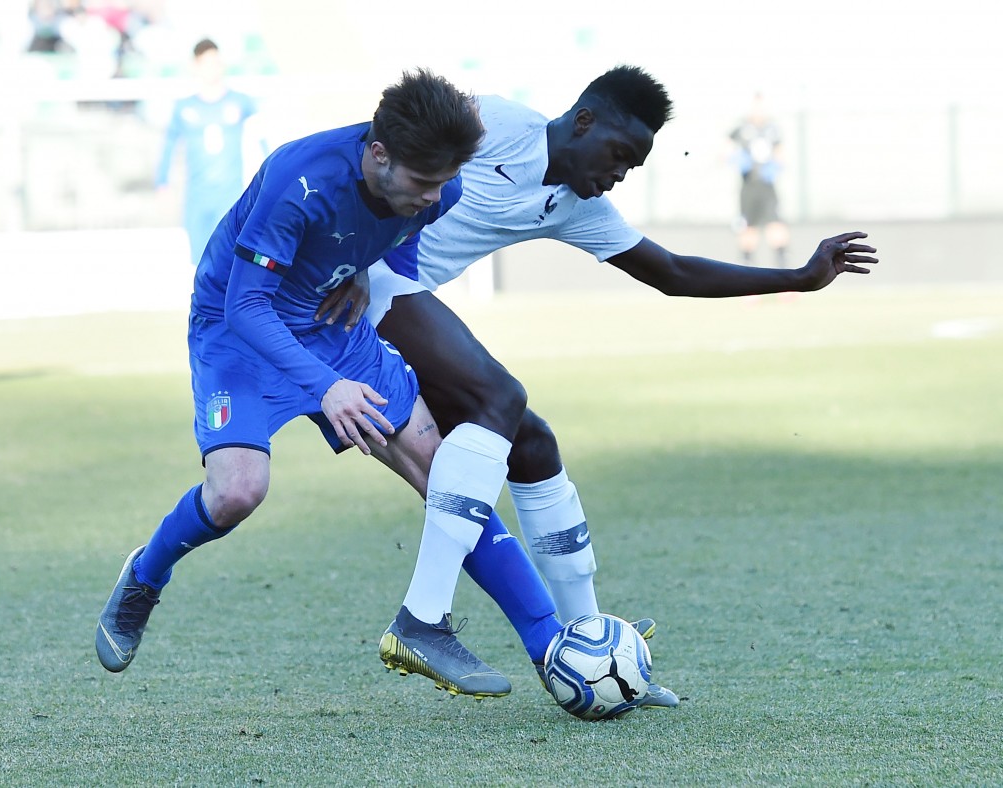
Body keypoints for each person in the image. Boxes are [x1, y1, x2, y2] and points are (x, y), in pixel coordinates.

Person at [314, 65, 878, 706]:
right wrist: (350, 253)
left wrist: (797, 279)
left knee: (532, 444)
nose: (619, 175)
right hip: (350, 287)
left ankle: (587, 640)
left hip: (393, 294)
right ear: (583, 121)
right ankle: (422, 618)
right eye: (617, 155)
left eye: (631, 168)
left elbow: (671, 271)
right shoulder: (491, 122)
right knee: (500, 399)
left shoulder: (579, 204)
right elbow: (382, 138)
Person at [96, 68, 560, 701]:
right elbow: (245, 306)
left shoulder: (438, 188)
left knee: (444, 473)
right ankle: (145, 575)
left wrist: (366, 270)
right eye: (423, 182)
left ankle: (552, 646)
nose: (434, 196)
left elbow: (402, 233)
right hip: (238, 328)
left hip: (326, 320)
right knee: (237, 493)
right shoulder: (300, 180)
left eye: (444, 180)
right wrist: (328, 388)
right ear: (377, 154)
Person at [156, 38, 265, 265]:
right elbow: (169, 145)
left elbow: (260, 138)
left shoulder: (240, 102)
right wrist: (162, 182)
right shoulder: (184, 107)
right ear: (195, 66)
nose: (212, 69)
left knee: (230, 259)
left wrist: (270, 177)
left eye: (215, 62)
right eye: (206, 63)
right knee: (201, 262)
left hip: (230, 195)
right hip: (197, 196)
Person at [729, 92, 790, 266]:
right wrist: (737, 158)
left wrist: (775, 166)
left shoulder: (773, 129)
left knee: (776, 226)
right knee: (748, 229)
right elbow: (725, 151)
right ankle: (746, 274)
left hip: (767, 186)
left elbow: (782, 156)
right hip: (748, 186)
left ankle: (785, 273)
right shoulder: (740, 129)